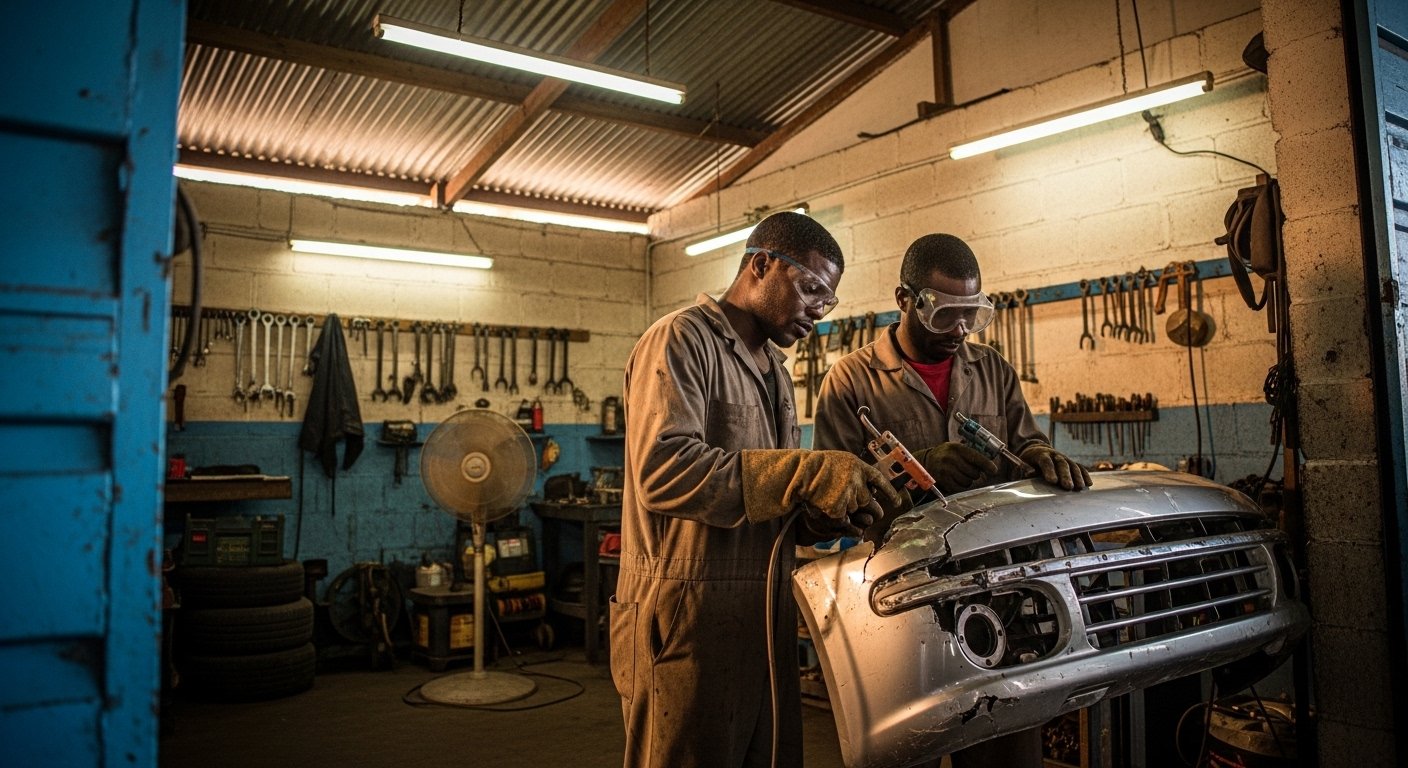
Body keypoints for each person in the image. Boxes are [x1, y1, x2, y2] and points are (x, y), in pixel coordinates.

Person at [612, 211, 903, 768]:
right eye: (812, 288)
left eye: (829, 299)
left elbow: (771, 497)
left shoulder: (773, 368)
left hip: (761, 615)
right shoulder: (680, 339)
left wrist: (828, 513)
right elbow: (663, 470)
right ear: (761, 264)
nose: (819, 309)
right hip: (684, 615)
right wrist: (807, 472)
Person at [812, 232, 1090, 768]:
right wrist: (916, 470)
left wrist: (1040, 457)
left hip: (999, 591)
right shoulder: (851, 380)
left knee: (1004, 744)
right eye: (945, 315)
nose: (960, 330)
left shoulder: (993, 371)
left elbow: (1023, 443)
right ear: (905, 300)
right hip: (902, 597)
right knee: (905, 744)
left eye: (971, 314)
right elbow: (834, 503)